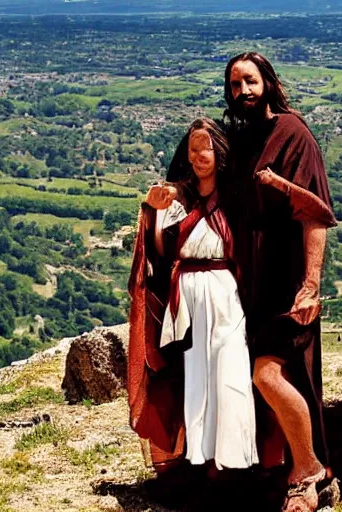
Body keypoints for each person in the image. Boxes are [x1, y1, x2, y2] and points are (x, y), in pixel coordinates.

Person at [223, 51, 337, 512]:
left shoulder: (294, 136)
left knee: (267, 375)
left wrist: (310, 286)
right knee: (255, 377)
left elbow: (315, 216)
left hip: (285, 282)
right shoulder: (241, 137)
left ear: (268, 83)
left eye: (250, 82)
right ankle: (274, 468)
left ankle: (308, 470)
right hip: (246, 286)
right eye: (235, 85)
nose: (243, 92)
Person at [127, 118, 259, 474]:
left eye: (207, 148)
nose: (200, 156)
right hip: (184, 293)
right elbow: (161, 250)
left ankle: (235, 461)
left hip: (223, 291)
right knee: (194, 376)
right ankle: (198, 459)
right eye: (193, 149)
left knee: (229, 371)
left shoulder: (235, 198)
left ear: (220, 151)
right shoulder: (176, 195)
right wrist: (154, 211)